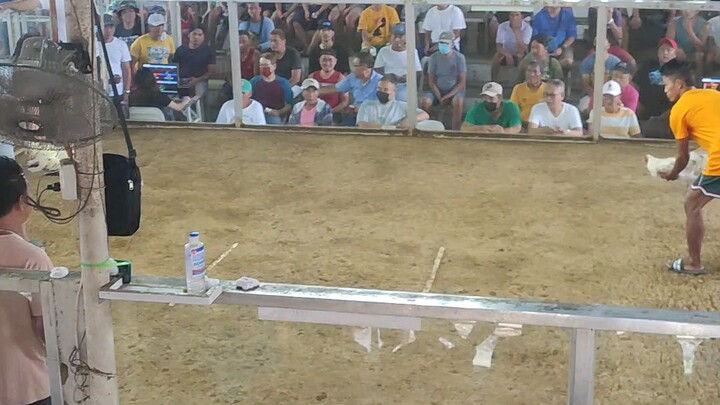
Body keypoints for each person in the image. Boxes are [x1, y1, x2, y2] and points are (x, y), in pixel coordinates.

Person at [0, 156, 54, 405]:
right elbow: (48, 328)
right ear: (22, 203)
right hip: (27, 385)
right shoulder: (32, 259)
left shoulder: (28, 253)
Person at [658, 59, 720, 275]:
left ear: (680, 85)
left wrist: (672, 174)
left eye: (667, 84)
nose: (665, 90)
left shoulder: (679, 111)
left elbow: (682, 157)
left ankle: (694, 263)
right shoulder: (713, 95)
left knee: (692, 203)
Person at [319, 51, 383, 126]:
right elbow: (335, 88)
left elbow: (382, 105)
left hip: (373, 117)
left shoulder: (380, 81)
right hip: (354, 115)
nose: (353, 69)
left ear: (364, 67)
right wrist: (315, 92)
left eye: (355, 66)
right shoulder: (352, 77)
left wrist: (361, 109)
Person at [420, 31, 466, 131]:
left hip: (454, 91)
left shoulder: (460, 58)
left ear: (452, 44)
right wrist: (439, 96)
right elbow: (431, 80)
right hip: (436, 90)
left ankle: (455, 130)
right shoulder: (434, 58)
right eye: (441, 43)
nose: (443, 45)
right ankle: (428, 127)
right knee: (425, 102)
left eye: (446, 43)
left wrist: (448, 96)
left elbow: (462, 82)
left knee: (458, 102)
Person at [356, 74, 429, 129]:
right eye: (379, 89)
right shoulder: (367, 104)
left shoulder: (402, 106)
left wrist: (406, 121)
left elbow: (424, 115)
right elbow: (362, 125)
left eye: (385, 90)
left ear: (394, 91)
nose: (381, 91)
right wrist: (389, 128)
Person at [373, 23, 422, 102]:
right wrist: (389, 78)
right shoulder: (384, 51)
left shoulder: (412, 51)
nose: (397, 39)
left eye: (400, 36)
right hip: (386, 84)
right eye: (395, 36)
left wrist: (405, 78)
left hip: (404, 85)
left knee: (403, 99)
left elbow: (417, 72)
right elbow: (377, 70)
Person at [250, 52, 293, 124]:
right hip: (256, 113)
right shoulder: (254, 81)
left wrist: (278, 112)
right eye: (261, 65)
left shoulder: (283, 83)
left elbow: (289, 104)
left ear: (274, 66)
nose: (263, 68)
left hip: (274, 115)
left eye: (266, 65)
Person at [172, 27, 216, 98]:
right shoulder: (181, 49)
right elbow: (174, 67)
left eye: (199, 35)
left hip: (200, 81)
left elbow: (211, 71)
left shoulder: (208, 51)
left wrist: (197, 80)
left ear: (204, 37)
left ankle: (199, 108)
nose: (196, 37)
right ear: (189, 35)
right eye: (194, 34)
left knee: (199, 90)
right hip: (182, 80)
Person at [98, 14, 132, 103]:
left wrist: (126, 91)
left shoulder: (121, 45)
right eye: (105, 27)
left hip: (117, 91)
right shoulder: (94, 45)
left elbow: (126, 69)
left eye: (111, 27)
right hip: (98, 90)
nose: (108, 30)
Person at [531, 6, 577, 71]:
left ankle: (552, 68)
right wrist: (543, 49)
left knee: (568, 61)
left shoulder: (568, 15)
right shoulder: (539, 16)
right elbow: (535, 37)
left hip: (564, 46)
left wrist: (562, 48)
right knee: (535, 61)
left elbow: (572, 35)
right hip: (544, 47)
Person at [491, 11, 532, 81]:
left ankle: (520, 82)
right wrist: (508, 55)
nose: (514, 18)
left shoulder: (527, 28)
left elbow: (523, 48)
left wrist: (516, 31)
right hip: (505, 52)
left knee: (520, 56)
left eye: (517, 15)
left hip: (520, 52)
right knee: (496, 57)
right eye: (512, 15)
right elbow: (498, 46)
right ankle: (494, 80)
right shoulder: (502, 26)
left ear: (521, 16)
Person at [309, 49, 349, 121]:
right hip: (314, 114)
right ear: (319, 61)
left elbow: (345, 101)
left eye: (330, 60)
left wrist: (331, 111)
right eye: (324, 60)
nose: (327, 63)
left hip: (334, 113)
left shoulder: (340, 78)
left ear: (335, 61)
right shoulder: (312, 76)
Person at [510, 61, 546, 126]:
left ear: (542, 75)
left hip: (542, 124)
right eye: (529, 71)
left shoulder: (548, 89)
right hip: (522, 124)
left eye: (535, 71)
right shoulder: (518, 88)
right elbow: (513, 109)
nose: (531, 74)